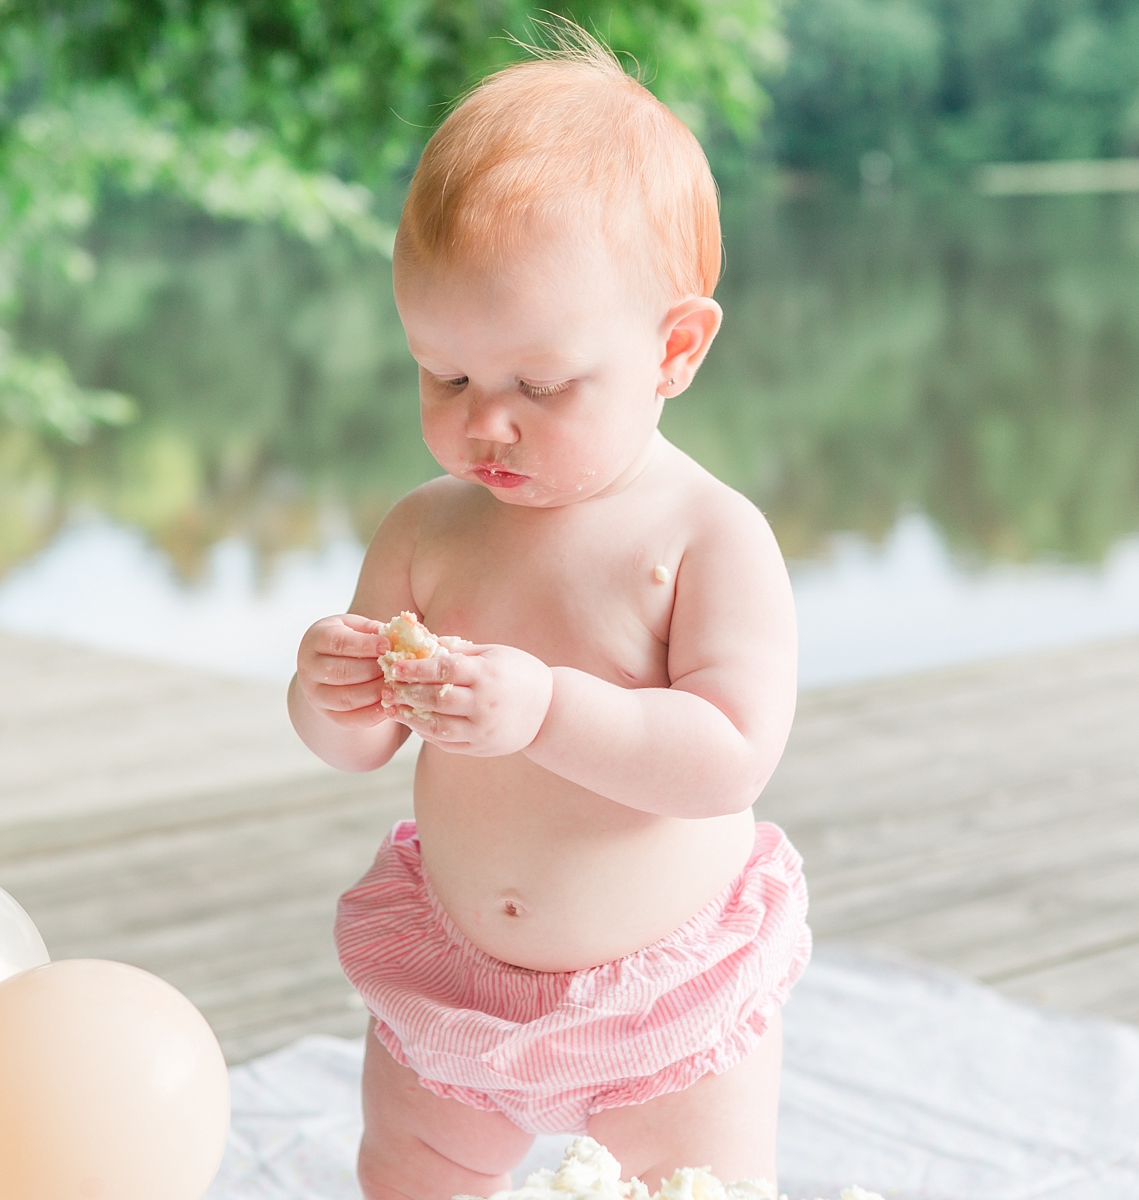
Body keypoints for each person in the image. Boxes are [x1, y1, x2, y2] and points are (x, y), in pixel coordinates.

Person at [288, 25, 806, 1200]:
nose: (487, 423)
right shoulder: (426, 530)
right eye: (446, 376)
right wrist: (330, 693)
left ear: (674, 348)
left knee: (694, 1184)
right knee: (409, 1163)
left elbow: (728, 756)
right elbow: (358, 745)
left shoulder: (707, 538)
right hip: (459, 980)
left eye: (538, 385)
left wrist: (546, 711)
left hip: (660, 1004)